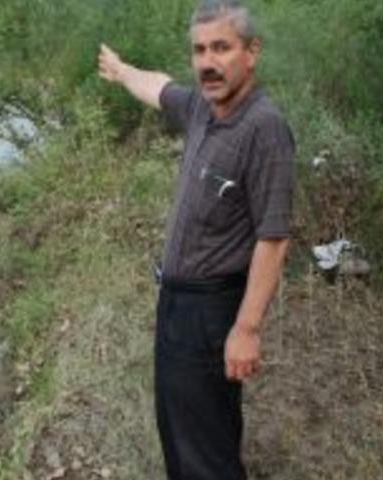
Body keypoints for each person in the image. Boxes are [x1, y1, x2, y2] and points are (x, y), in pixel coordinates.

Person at [98, 0, 294, 478]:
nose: (208, 61)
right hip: (176, 303)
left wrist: (245, 330)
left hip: (211, 314)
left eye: (221, 48)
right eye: (200, 50)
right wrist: (122, 71)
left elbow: (274, 239)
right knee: (179, 433)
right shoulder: (203, 110)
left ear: (252, 52)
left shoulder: (264, 128)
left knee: (207, 450)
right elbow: (158, 86)